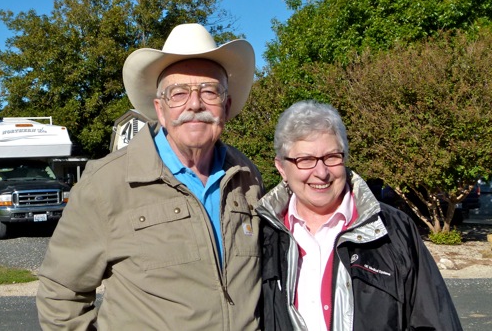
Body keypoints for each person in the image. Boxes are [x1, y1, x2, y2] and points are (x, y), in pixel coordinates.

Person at [36, 23, 264, 330]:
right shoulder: (106, 184)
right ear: (160, 109)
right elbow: (60, 297)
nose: (194, 104)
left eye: (210, 91)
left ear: (227, 105)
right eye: (178, 93)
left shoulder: (246, 178)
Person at [257, 100, 462, 330]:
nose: (321, 172)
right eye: (306, 160)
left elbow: (434, 321)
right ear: (281, 168)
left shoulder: (393, 230)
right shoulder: (261, 234)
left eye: (332, 157)